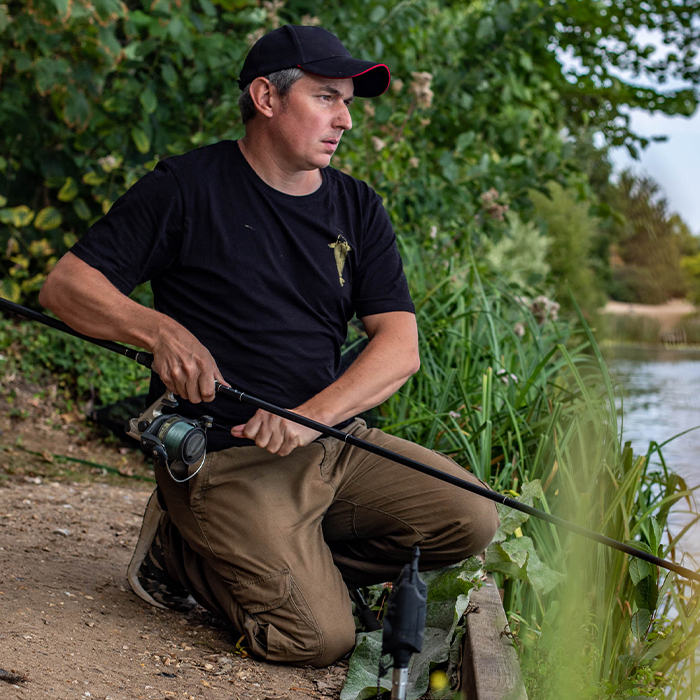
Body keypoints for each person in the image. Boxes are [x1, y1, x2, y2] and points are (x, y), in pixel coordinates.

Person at [39, 25, 499, 667]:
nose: (344, 119)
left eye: (348, 102)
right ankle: (180, 552)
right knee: (320, 640)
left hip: (332, 445)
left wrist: (314, 419)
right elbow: (65, 286)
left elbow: (400, 346)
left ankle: (283, 561)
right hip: (224, 460)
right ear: (266, 97)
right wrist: (158, 330)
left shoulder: (357, 206)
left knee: (472, 517)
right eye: (326, 97)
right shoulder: (185, 187)